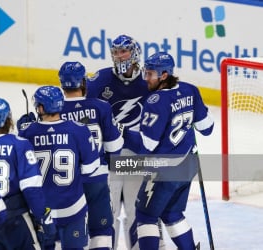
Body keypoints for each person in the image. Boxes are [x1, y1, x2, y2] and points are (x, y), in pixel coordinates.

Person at [124, 52, 214, 250]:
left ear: (164, 75)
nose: (146, 78)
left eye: (150, 74)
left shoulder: (156, 101)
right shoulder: (191, 90)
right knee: (171, 214)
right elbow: (207, 128)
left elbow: (146, 146)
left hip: (164, 170)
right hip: (187, 166)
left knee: (146, 216)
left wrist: (122, 133)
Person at [86, 34, 158, 249]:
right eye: (115, 52)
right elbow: (81, 108)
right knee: (109, 213)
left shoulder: (148, 80)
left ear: (134, 52)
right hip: (110, 157)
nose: (119, 56)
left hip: (138, 157)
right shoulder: (100, 80)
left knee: (138, 211)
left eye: (123, 51)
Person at [18, 86, 100, 250]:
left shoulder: (27, 132)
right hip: (73, 207)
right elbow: (91, 168)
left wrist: (22, 129)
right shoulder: (79, 129)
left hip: (42, 211)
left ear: (40, 108)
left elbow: (22, 174)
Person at [0, 97, 56, 250]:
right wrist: (43, 217)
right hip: (16, 220)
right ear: (9, 120)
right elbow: (31, 188)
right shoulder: (19, 144)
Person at [58, 61, 124, 249]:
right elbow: (114, 148)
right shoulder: (101, 107)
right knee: (101, 230)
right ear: (84, 82)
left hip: (66, 183)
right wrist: (117, 132)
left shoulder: (53, 110)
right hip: (97, 179)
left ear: (62, 84)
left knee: (67, 233)